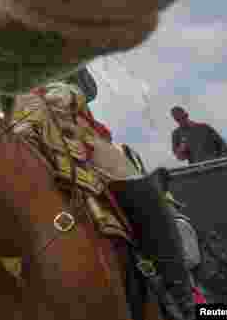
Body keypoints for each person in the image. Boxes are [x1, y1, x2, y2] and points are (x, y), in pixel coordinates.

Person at [19, 68, 199, 319]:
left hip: (78, 137)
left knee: (142, 191)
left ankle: (183, 299)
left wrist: (69, 92)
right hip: (21, 139)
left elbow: (87, 88)